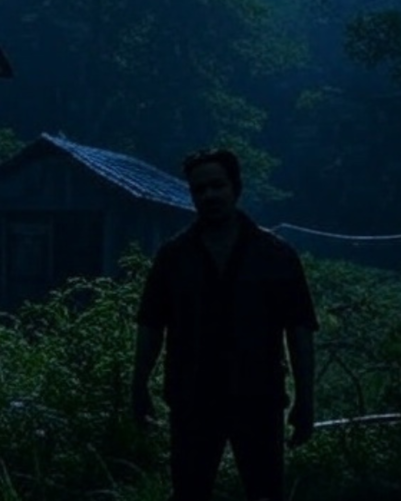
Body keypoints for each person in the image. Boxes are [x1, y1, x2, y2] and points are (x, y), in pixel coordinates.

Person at [130, 148, 319, 501]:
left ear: (236, 188)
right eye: (199, 189)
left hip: (258, 398)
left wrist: (306, 400)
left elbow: (299, 331)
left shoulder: (275, 255)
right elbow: (151, 326)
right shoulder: (174, 257)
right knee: (189, 493)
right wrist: (138, 386)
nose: (209, 195)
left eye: (217, 185)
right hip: (192, 400)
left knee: (264, 493)